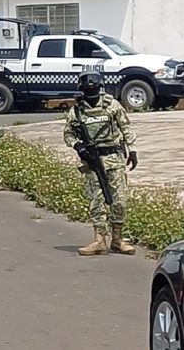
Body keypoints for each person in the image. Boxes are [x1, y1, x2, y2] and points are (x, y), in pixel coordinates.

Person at [63, 70, 138, 257]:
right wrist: (78, 146)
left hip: (114, 158)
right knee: (96, 201)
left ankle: (117, 240)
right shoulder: (77, 111)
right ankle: (99, 240)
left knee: (119, 200)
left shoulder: (112, 106)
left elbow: (125, 127)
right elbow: (68, 133)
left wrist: (133, 150)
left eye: (93, 85)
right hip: (92, 162)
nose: (91, 88)